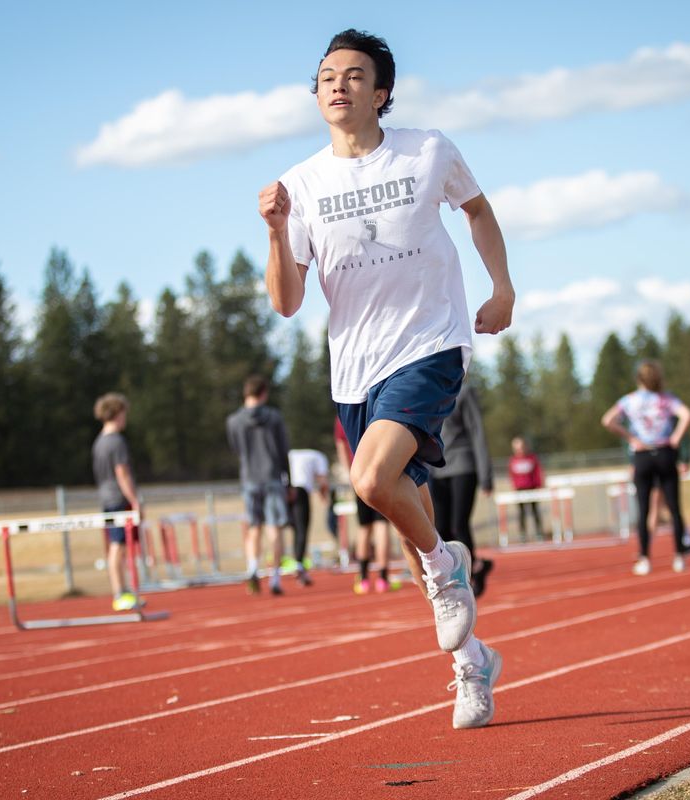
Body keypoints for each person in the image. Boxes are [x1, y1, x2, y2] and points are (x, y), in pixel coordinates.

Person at [258, 29, 514, 729]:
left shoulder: (428, 150)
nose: (337, 85)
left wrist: (502, 287)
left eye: (353, 75)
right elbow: (286, 301)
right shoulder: (302, 184)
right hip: (354, 373)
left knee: (370, 483)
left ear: (382, 92)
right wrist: (278, 231)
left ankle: (447, 568)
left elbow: (479, 211)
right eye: (326, 77)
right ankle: (473, 665)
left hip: (431, 345)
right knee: (405, 523)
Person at [601, 361, 690, 576]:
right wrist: (675, 438)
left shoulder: (630, 401)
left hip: (642, 456)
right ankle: (679, 556)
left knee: (643, 509)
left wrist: (631, 438)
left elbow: (607, 420)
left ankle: (644, 558)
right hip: (664, 453)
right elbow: (687, 415)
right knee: (674, 507)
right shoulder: (666, 399)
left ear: (638, 379)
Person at [227, 375, 292, 595]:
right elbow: (284, 451)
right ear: (264, 393)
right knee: (275, 529)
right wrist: (288, 480)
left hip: (249, 479)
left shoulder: (234, 421)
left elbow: (236, 449)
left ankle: (253, 568)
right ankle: (275, 578)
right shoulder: (274, 417)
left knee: (254, 527)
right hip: (272, 477)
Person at [430, 383, 495, 597]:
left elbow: (477, 432)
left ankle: (468, 578)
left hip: (463, 466)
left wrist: (485, 475)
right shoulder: (423, 392)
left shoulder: (464, 392)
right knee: (441, 528)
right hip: (434, 470)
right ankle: (470, 569)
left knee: (459, 525)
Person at [92, 393, 145, 611]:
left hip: (106, 497)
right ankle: (119, 592)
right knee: (118, 546)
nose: (126, 418)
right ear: (116, 413)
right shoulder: (116, 442)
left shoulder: (99, 442)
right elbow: (122, 473)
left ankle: (122, 591)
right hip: (117, 498)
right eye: (124, 413)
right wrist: (135, 500)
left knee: (119, 546)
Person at [335, 416, 393, 592]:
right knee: (381, 524)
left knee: (364, 527)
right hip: (379, 472)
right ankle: (383, 579)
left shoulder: (344, 411)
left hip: (359, 474)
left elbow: (341, 446)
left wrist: (350, 472)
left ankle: (364, 580)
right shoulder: (378, 405)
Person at [288, 446, 331, 585]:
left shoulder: (291, 454)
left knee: (292, 529)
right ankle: (299, 566)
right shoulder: (319, 457)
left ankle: (292, 565)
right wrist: (324, 497)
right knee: (301, 530)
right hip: (300, 491)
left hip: (283, 490)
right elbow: (322, 481)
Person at [508, 436, 546, 540]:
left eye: (521, 447)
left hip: (532, 488)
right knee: (521, 513)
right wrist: (514, 486)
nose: (519, 450)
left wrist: (539, 484)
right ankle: (522, 534)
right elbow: (512, 475)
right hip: (519, 489)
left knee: (535, 511)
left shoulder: (532, 458)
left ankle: (539, 532)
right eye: (517, 448)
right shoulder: (513, 460)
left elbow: (538, 472)